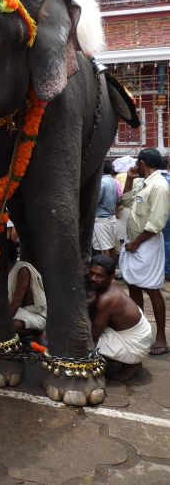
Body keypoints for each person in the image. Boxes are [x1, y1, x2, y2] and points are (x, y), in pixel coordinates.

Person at [119, 148, 170, 355]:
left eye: (136, 164)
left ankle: (161, 338)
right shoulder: (143, 183)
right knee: (133, 285)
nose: (135, 167)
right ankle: (139, 331)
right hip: (135, 242)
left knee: (152, 288)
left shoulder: (159, 186)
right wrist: (130, 179)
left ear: (142, 162)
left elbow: (156, 222)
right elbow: (125, 201)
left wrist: (137, 243)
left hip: (145, 243)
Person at [89, 255, 152, 380]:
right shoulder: (109, 284)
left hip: (135, 344)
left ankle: (131, 363)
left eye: (99, 276)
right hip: (136, 330)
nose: (93, 278)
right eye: (91, 273)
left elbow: (94, 335)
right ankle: (120, 356)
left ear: (111, 277)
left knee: (85, 340)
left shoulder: (107, 299)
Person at [7, 240, 47, 335]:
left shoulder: (22, 270)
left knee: (12, 325)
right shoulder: (7, 269)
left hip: (35, 315)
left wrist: (4, 321)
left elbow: (17, 300)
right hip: (19, 312)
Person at [92, 160, 119, 259]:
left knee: (102, 249)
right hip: (111, 219)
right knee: (111, 247)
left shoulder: (102, 182)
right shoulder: (114, 181)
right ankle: (112, 270)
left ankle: (106, 272)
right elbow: (117, 199)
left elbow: (95, 201)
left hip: (101, 220)